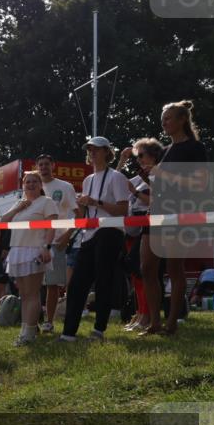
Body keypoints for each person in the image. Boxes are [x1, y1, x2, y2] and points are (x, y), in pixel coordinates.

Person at [141, 100, 209, 337]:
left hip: (179, 212)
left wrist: (163, 174)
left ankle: (171, 323)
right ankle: (153, 322)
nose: (164, 122)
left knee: (174, 268)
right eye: (163, 119)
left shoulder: (195, 148)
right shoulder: (166, 151)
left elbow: (199, 184)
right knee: (147, 267)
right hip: (156, 212)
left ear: (182, 120)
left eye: (169, 118)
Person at [59, 137, 130, 342]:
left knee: (103, 279)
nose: (91, 153)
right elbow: (83, 214)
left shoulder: (116, 177)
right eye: (89, 150)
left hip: (109, 230)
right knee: (77, 284)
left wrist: (95, 202)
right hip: (89, 234)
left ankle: (99, 330)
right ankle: (68, 333)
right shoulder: (88, 180)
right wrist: (81, 205)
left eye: (96, 150)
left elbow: (123, 209)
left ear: (107, 152)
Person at [1, 171, 58, 345]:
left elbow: (51, 227)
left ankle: (30, 332)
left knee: (33, 293)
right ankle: (25, 330)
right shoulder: (19, 203)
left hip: (35, 250)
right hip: (17, 250)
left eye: (35, 181)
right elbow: (3, 221)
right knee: (24, 294)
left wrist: (46, 247)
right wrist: (19, 207)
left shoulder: (46, 202)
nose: (31, 184)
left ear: (41, 185)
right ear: (23, 185)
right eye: (27, 182)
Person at [35, 154, 82, 333]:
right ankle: (32, 321)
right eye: (41, 165)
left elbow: (78, 214)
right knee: (33, 284)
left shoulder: (65, 186)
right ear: (37, 167)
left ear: (53, 165)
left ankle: (49, 322)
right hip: (34, 242)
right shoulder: (33, 186)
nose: (44, 167)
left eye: (47, 164)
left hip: (56, 242)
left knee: (52, 285)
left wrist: (68, 235)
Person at [118, 139, 161, 331]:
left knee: (143, 272)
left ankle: (147, 315)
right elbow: (114, 180)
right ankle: (140, 312)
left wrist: (135, 193)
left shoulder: (160, 174)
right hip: (132, 227)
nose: (139, 160)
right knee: (136, 274)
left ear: (153, 154)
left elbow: (156, 199)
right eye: (137, 157)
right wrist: (121, 160)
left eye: (141, 155)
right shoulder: (139, 176)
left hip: (149, 226)